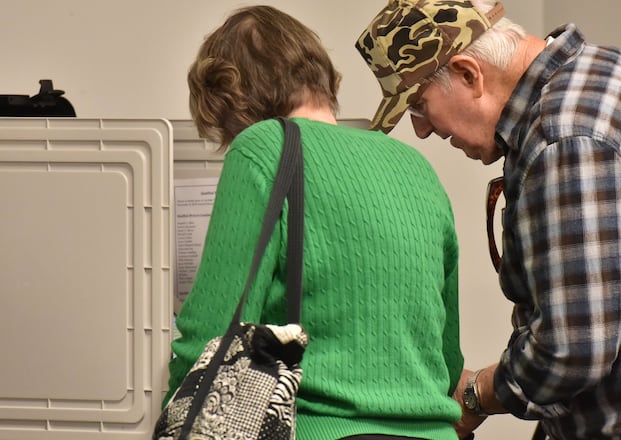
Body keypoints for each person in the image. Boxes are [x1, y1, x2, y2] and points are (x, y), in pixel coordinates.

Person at [355, 0, 621, 438]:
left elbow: (573, 348)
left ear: (470, 74)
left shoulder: (564, 136)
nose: (423, 130)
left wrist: (476, 395)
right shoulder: (613, 71)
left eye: (419, 105)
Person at [165, 5, 465, 440]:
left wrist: (175, 414)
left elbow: (213, 335)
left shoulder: (261, 146)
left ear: (229, 97)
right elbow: (447, 351)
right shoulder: (414, 165)